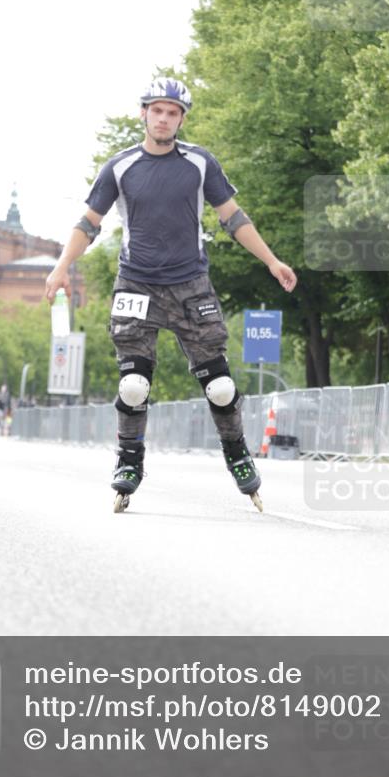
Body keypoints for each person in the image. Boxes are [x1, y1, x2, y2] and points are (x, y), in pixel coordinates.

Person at [45, 76, 297, 512]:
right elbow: (88, 223)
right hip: (136, 284)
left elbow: (233, 217)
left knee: (220, 387)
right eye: (157, 110)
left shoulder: (200, 163)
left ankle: (237, 453)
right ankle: (129, 462)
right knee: (134, 384)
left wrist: (272, 261)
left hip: (190, 284)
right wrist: (62, 266)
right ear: (143, 114)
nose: (163, 118)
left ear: (182, 119)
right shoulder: (120, 167)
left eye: (172, 112)